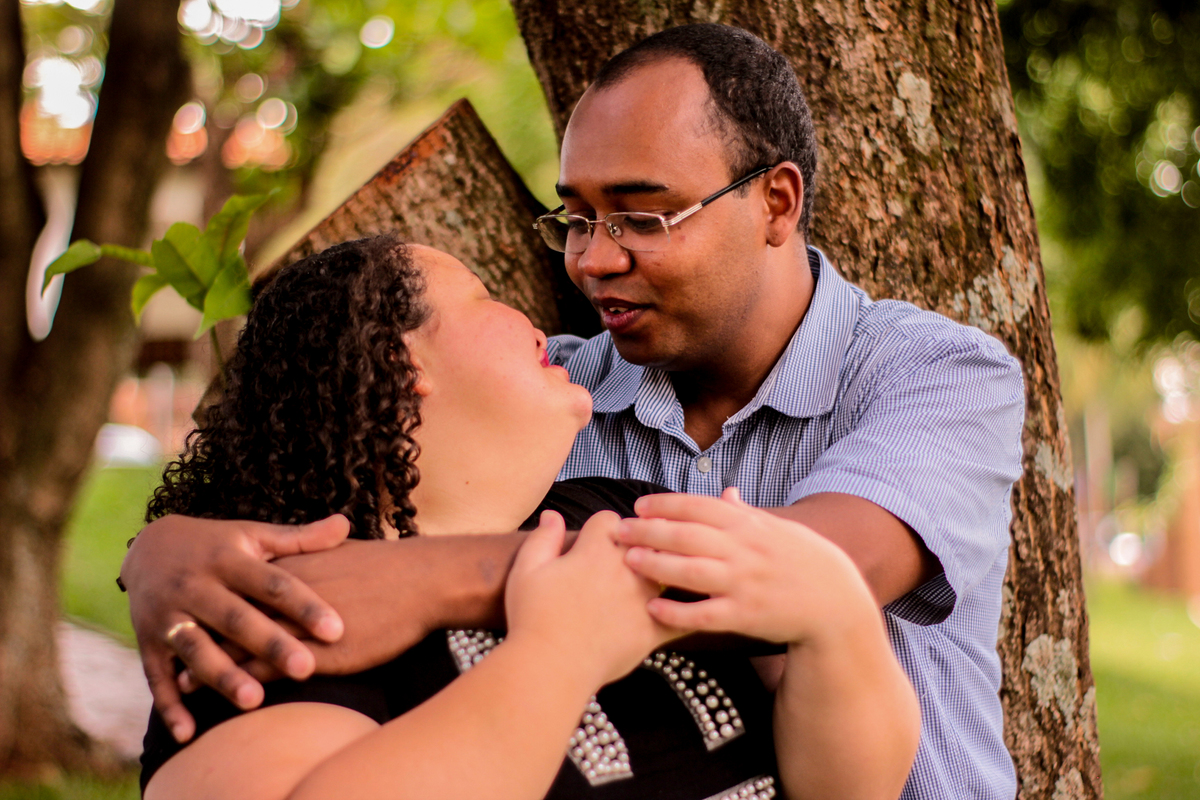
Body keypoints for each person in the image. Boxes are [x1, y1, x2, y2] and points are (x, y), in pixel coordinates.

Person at [122, 23, 1024, 800]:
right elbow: (352, 437)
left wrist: (437, 578)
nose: (591, 261)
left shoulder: (938, 374)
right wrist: (164, 552)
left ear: (776, 203)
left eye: (641, 216)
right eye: (578, 219)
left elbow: (817, 568)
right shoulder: (561, 398)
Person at [136, 235, 918, 800]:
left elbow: (853, 786)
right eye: (485, 298)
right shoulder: (275, 624)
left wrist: (837, 612)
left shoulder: (620, 506)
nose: (541, 325)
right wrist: (558, 653)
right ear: (400, 363)